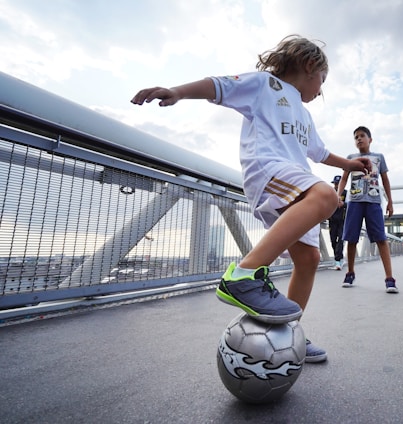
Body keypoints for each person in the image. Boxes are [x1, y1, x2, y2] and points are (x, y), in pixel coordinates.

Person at [131, 35, 372, 363]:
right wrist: (178, 92)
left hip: (293, 178)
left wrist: (349, 164)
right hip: (268, 169)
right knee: (326, 195)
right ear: (309, 65)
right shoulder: (265, 86)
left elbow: (318, 153)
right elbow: (219, 86)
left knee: (309, 259)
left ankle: (288, 332)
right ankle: (243, 275)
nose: (321, 89)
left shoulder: (304, 115)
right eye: (322, 81)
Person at [338, 126, 398, 293]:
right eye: (356, 136)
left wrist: (390, 201)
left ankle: (389, 278)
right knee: (351, 238)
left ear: (370, 139)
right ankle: (350, 272)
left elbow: (385, 180)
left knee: (381, 239)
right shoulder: (350, 159)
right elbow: (344, 179)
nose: (359, 139)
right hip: (354, 201)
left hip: (373, 202)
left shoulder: (378, 158)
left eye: (362, 136)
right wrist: (338, 195)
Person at [328, 175, 347, 270]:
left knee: (341, 240)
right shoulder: (330, 193)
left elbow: (350, 205)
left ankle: (337, 261)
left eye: (338, 183)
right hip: (332, 221)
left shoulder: (346, 193)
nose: (336, 185)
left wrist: (344, 204)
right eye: (335, 183)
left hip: (343, 220)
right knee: (332, 240)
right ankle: (340, 258)